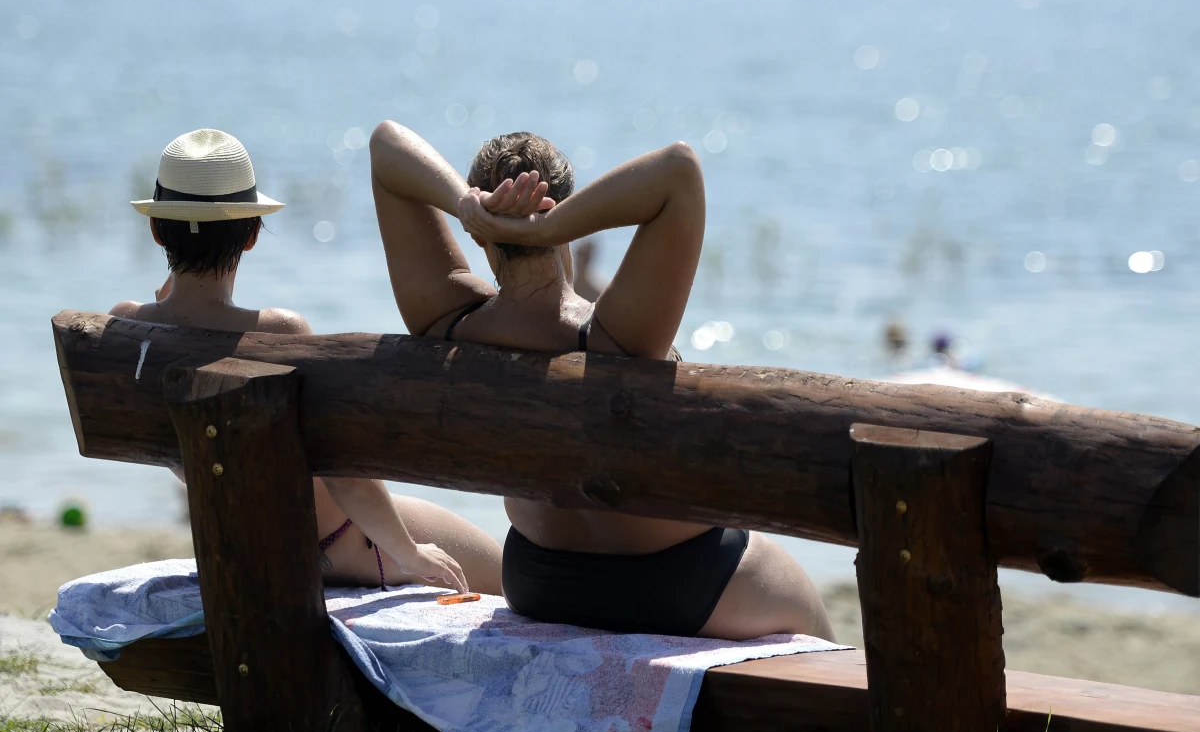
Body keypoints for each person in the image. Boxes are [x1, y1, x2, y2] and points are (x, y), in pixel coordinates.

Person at [369, 122, 835, 645]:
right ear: (571, 219)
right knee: (816, 621)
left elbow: (386, 147)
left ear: (479, 234)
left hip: (540, 582)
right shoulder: (617, 335)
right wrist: (544, 229)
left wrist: (469, 206)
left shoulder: (450, 320)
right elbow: (679, 170)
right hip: (681, 586)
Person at [110, 129, 502, 598]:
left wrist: (169, 302)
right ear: (253, 233)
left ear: (156, 229)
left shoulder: (127, 328)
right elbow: (345, 476)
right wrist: (410, 553)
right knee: (508, 578)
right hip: (346, 548)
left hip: (244, 547)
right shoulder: (279, 333)